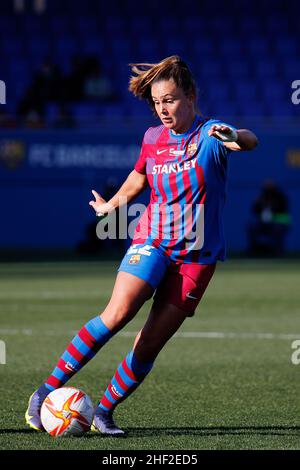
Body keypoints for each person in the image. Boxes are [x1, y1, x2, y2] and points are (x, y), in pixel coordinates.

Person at [25, 55, 258, 436]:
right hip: (153, 239)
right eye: (156, 102)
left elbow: (249, 140)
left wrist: (234, 138)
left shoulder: (212, 133)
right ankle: (44, 392)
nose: (162, 109)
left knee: (149, 343)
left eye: (169, 100)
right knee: (118, 313)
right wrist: (111, 205)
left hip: (198, 257)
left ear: (191, 96)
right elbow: (139, 178)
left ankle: (103, 411)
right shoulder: (152, 138)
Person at [247, 179, 291, 256]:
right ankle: (254, 251)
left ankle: (278, 252)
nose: (268, 190)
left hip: (278, 222)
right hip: (263, 223)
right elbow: (254, 209)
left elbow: (284, 209)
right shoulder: (261, 196)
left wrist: (273, 211)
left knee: (278, 229)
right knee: (251, 227)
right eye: (266, 187)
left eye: (270, 187)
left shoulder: (280, 197)